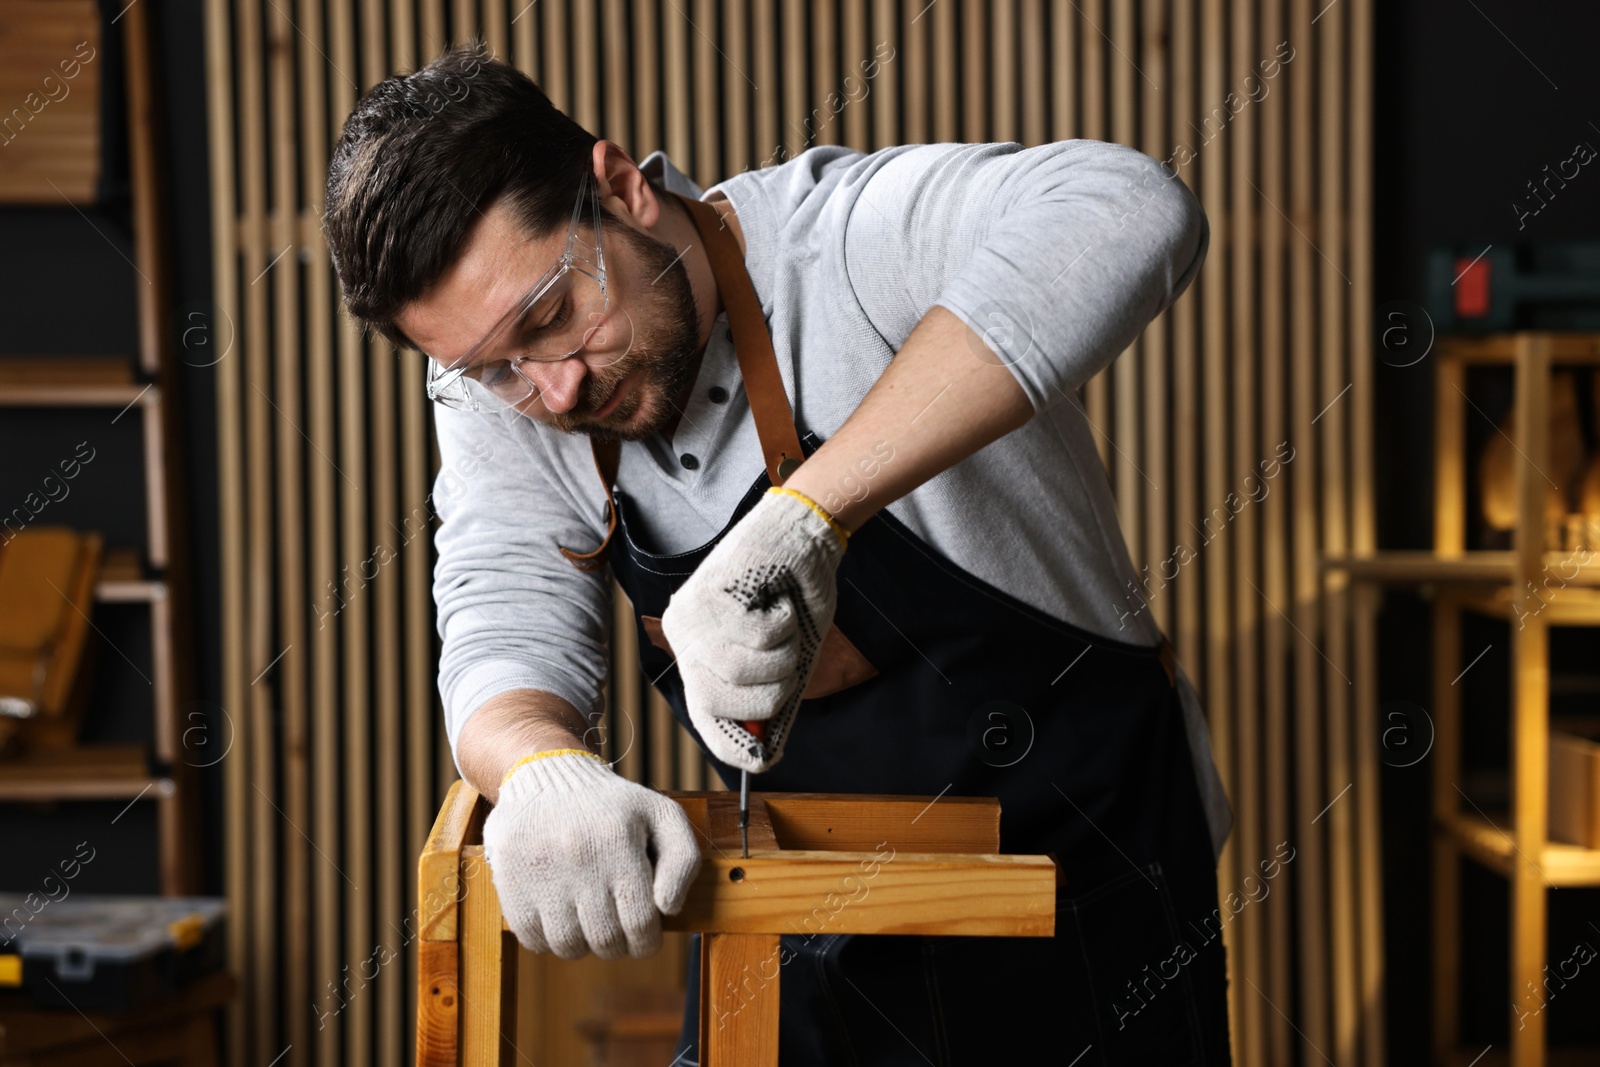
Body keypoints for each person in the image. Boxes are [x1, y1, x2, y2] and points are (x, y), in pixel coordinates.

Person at [325, 42, 1234, 1066]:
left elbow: (1132, 208)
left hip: (1087, 878)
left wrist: (808, 513)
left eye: (554, 317)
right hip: (805, 920)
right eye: (495, 369)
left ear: (620, 188)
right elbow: (503, 612)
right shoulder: (515, 389)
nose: (556, 393)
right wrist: (536, 767)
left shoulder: (838, 242)